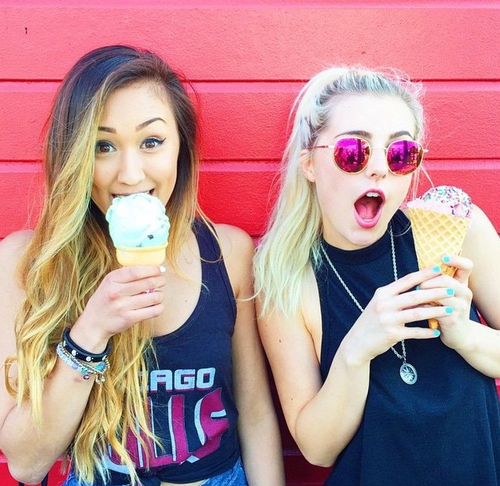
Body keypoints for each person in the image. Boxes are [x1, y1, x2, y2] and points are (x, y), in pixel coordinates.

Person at [0, 45, 285, 486]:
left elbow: (255, 413)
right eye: (103, 146)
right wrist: (90, 332)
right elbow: (26, 463)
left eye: (151, 142)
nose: (130, 174)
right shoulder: (28, 264)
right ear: (73, 155)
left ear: (181, 149)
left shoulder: (228, 251)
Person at [254, 66, 500, 485]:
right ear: (309, 163)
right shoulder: (286, 280)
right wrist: (357, 350)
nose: (379, 170)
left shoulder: (462, 230)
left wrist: (464, 333)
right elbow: (317, 448)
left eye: (400, 153)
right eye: (354, 152)